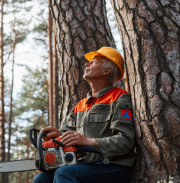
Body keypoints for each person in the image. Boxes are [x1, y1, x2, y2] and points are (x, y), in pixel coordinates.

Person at [33, 47, 136, 183]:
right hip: (85, 165)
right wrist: (58, 136)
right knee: (41, 178)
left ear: (107, 70)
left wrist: (89, 141)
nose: (87, 64)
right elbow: (66, 136)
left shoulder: (120, 98)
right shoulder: (80, 105)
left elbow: (126, 141)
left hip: (113, 165)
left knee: (64, 174)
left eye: (94, 62)